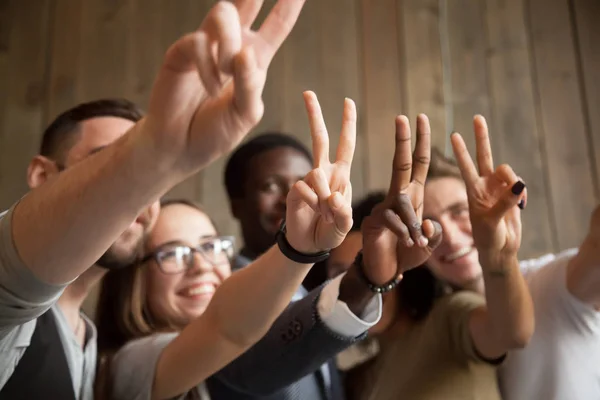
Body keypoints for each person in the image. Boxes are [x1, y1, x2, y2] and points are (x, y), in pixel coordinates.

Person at [0, 1, 306, 398]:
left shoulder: (89, 344)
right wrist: (155, 155)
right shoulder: (12, 308)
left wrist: (306, 248)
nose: (141, 197)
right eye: (111, 161)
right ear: (43, 176)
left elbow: (226, 330)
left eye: (154, 184)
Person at [95, 91, 443, 400]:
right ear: (133, 281)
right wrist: (359, 276)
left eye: (210, 247)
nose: (201, 265)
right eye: (174, 253)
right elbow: (243, 351)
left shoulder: (311, 285)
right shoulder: (133, 364)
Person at [344, 115, 535, 400]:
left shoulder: (449, 318)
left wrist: (498, 259)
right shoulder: (354, 380)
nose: (363, 278)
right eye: (340, 271)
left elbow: (511, 334)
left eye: (461, 211)